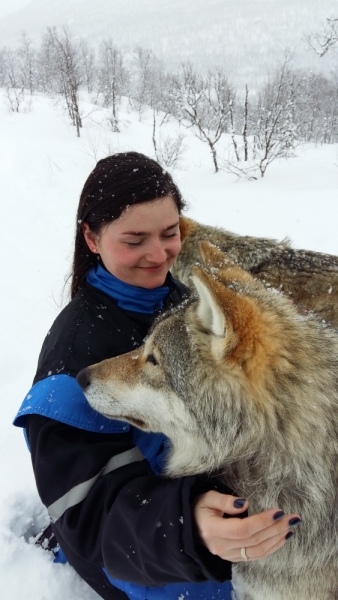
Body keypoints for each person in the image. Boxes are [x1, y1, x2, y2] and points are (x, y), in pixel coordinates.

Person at [14, 152, 301, 600]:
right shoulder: (72, 362)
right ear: (91, 238)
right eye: (134, 240)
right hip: (145, 557)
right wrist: (187, 525)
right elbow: (87, 518)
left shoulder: (186, 304)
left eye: (170, 234)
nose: (158, 254)